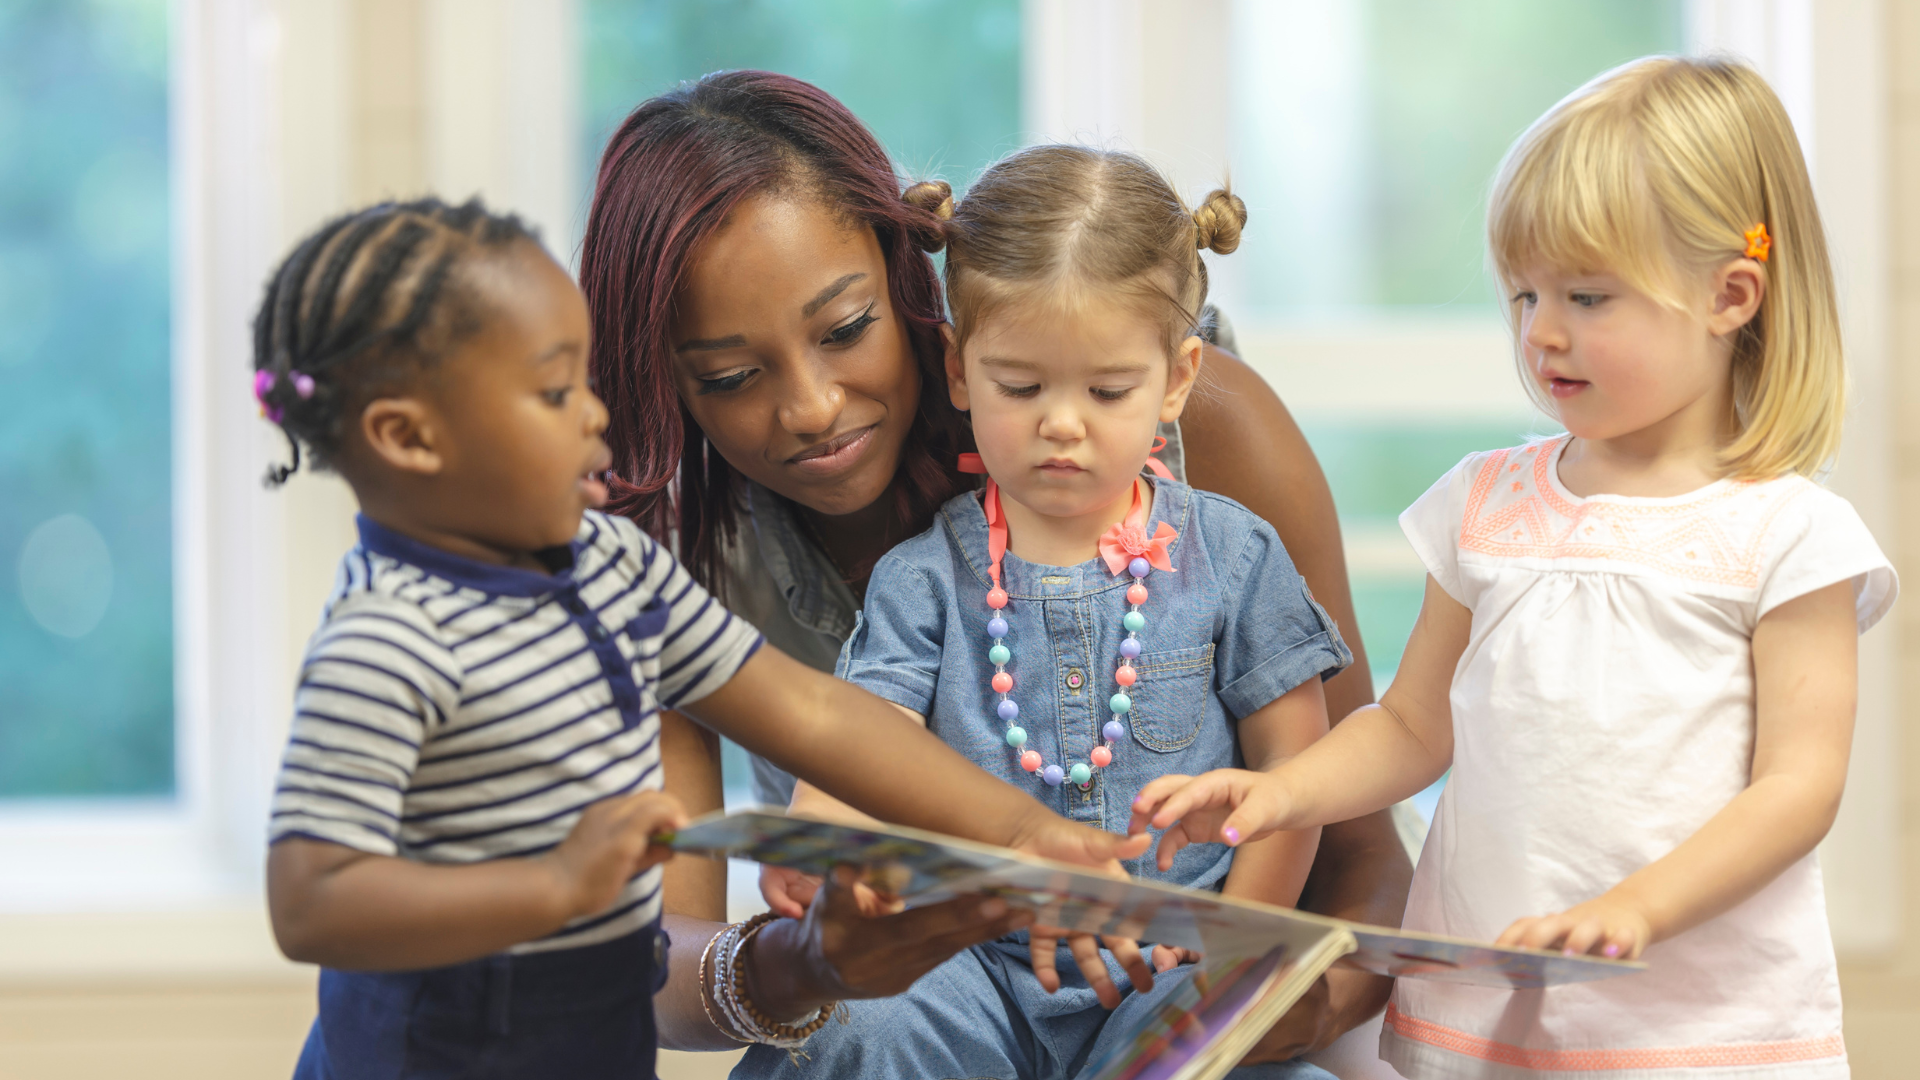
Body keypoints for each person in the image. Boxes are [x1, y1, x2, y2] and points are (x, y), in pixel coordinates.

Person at [580, 69, 1411, 1071]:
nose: (810, 408)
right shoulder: (691, 558)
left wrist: (1253, 1005)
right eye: (729, 376)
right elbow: (663, 960)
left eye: (846, 330)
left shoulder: (1211, 459)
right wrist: (801, 958)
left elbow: (1353, 844)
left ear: (909, 287)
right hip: (941, 1005)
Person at [251, 197, 1151, 1080]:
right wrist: (557, 892)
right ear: (409, 438)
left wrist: (1025, 832)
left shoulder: (609, 564)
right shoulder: (385, 645)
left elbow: (809, 712)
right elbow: (311, 904)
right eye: (555, 391)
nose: (595, 415)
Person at [1130, 57, 1897, 1079]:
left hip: (1699, 1031)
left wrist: (1638, 908)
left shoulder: (1787, 535)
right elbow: (1409, 727)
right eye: (1525, 292)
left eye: (1586, 295)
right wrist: (1283, 794)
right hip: (1489, 1016)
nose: (1541, 331)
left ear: (1731, 295)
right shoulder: (1488, 505)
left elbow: (1797, 788)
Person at [750, 144, 1346, 1078]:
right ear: (957, 369)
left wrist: (1246, 942)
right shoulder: (923, 578)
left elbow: (1294, 770)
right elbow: (861, 736)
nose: (1060, 423)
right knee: (854, 1031)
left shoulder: (1233, 556)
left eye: (1108, 391)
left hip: (1168, 958)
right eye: (1019, 387)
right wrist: (814, 836)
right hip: (970, 962)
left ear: (1178, 379)